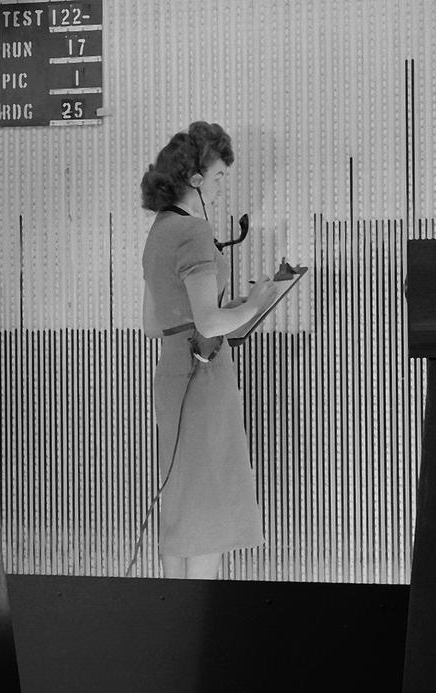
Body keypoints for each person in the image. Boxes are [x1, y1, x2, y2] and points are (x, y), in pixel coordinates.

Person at [140, 121, 278, 579]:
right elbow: (209, 322)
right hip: (205, 375)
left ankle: (174, 613)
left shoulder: (158, 231)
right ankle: (199, 620)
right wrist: (258, 299)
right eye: (218, 177)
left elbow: (153, 323)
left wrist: (225, 312)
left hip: (173, 373)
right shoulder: (195, 232)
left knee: (180, 498)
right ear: (195, 179)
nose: (221, 188)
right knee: (209, 504)